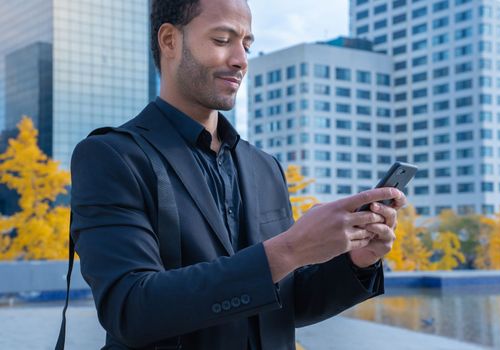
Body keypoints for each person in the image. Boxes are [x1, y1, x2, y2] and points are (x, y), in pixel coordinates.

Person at [70, 0, 407, 349]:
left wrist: (356, 262)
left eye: (246, 45)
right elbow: (130, 309)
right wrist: (292, 248)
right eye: (221, 40)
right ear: (169, 40)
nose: (241, 60)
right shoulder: (112, 156)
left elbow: (282, 304)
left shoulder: (264, 166)